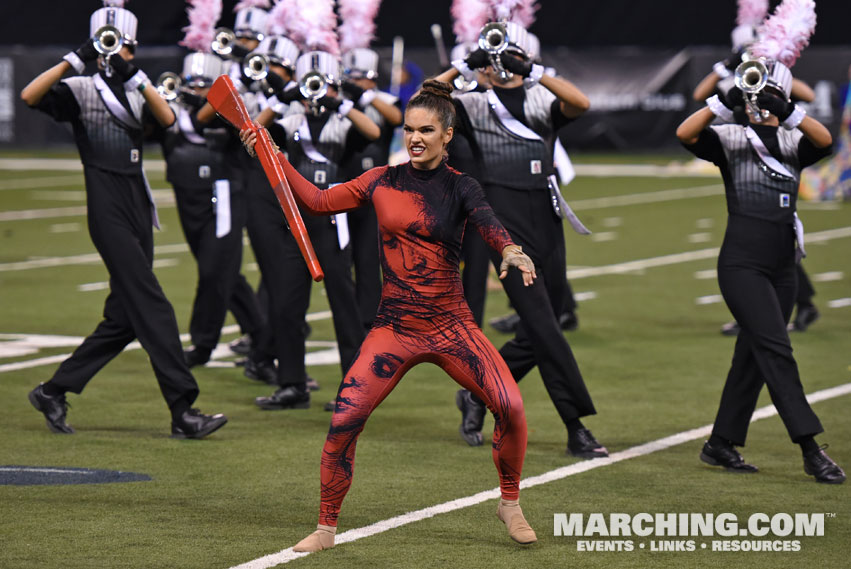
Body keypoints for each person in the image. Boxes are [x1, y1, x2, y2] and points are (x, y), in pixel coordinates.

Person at [240, 80, 540, 550]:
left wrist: (511, 249)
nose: (415, 138)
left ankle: (509, 502)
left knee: (512, 408)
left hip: (451, 326)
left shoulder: (462, 186)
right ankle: (325, 527)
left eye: (426, 130)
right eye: (409, 130)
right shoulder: (382, 179)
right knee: (343, 420)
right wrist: (272, 154)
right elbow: (318, 203)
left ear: (447, 135)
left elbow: (488, 222)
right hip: (394, 330)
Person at [21, 2, 227, 439]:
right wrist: (74, 58)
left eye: (124, 47)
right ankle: (182, 409)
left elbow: (169, 119)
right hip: (106, 202)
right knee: (153, 304)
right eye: (109, 45)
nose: (116, 54)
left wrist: (136, 76)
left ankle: (53, 391)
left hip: (136, 200)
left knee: (125, 318)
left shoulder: (138, 88)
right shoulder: (78, 87)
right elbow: (29, 96)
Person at [435, 21, 607, 457]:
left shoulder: (540, 95)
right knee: (544, 325)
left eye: (505, 54)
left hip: (546, 214)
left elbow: (581, 103)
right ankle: (576, 425)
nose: (498, 62)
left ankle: (476, 393)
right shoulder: (473, 104)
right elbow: (425, 101)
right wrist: (462, 66)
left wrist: (532, 69)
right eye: (494, 54)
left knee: (542, 324)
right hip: (502, 222)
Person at [677, 37, 844, 483]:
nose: (756, 98)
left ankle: (720, 443)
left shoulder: (793, 139)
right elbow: (685, 133)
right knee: (776, 349)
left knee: (752, 354)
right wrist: (723, 100)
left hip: (783, 266)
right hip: (742, 264)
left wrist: (788, 110)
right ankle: (810, 447)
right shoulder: (732, 138)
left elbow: (826, 142)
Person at [250, 49, 378, 410]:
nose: (315, 91)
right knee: (287, 303)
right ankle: (292, 383)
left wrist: (339, 103)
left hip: (334, 222)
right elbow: (253, 132)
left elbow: (374, 129)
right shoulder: (290, 120)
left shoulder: (343, 123)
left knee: (344, 306)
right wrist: (282, 97)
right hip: (296, 222)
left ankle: (355, 388)